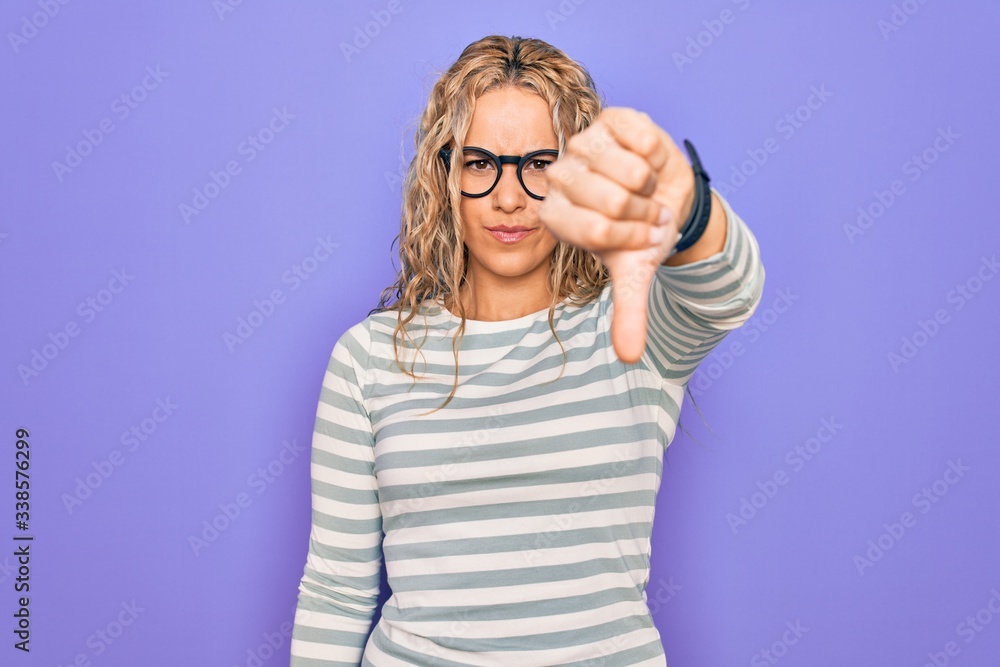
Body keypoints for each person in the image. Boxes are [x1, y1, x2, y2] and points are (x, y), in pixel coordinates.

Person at [290, 34, 765, 667]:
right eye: (481, 162)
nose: (509, 198)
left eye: (540, 163)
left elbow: (729, 289)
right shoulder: (368, 358)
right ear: (446, 174)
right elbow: (337, 591)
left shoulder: (630, 326)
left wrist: (688, 206)